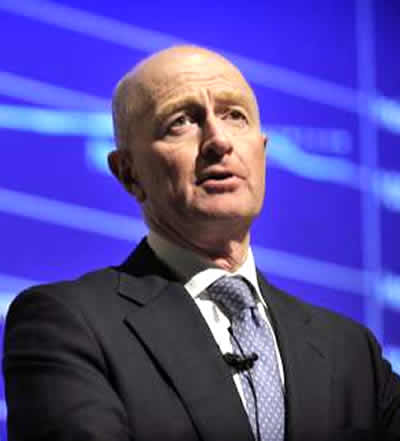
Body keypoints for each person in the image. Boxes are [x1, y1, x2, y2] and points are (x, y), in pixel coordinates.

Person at [3, 45, 400, 441]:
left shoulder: (352, 353)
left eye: (235, 116)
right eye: (181, 122)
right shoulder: (67, 326)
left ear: (261, 152)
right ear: (128, 172)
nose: (219, 140)